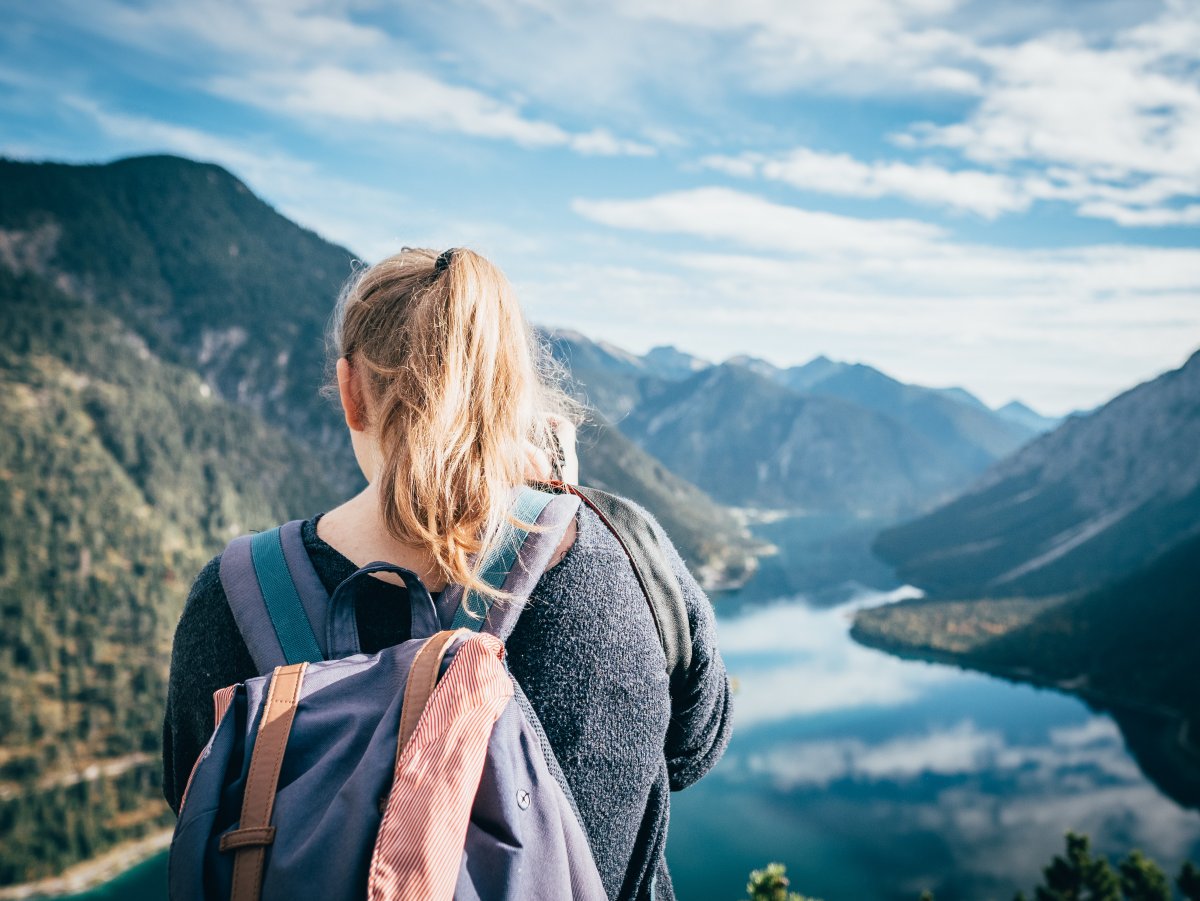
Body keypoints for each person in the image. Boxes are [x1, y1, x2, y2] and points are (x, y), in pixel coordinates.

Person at [161, 247, 732, 901]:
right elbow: (693, 746)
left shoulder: (233, 596)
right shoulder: (629, 553)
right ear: (513, 392)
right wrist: (562, 504)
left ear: (351, 391)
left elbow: (196, 803)